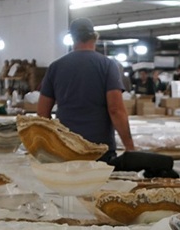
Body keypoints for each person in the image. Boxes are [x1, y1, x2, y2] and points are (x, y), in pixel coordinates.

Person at [37, 17, 134, 162]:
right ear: (94, 37)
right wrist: (130, 148)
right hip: (99, 150)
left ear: (72, 38)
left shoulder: (55, 67)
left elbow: (42, 113)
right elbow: (116, 110)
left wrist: (52, 144)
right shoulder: (107, 65)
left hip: (67, 148)